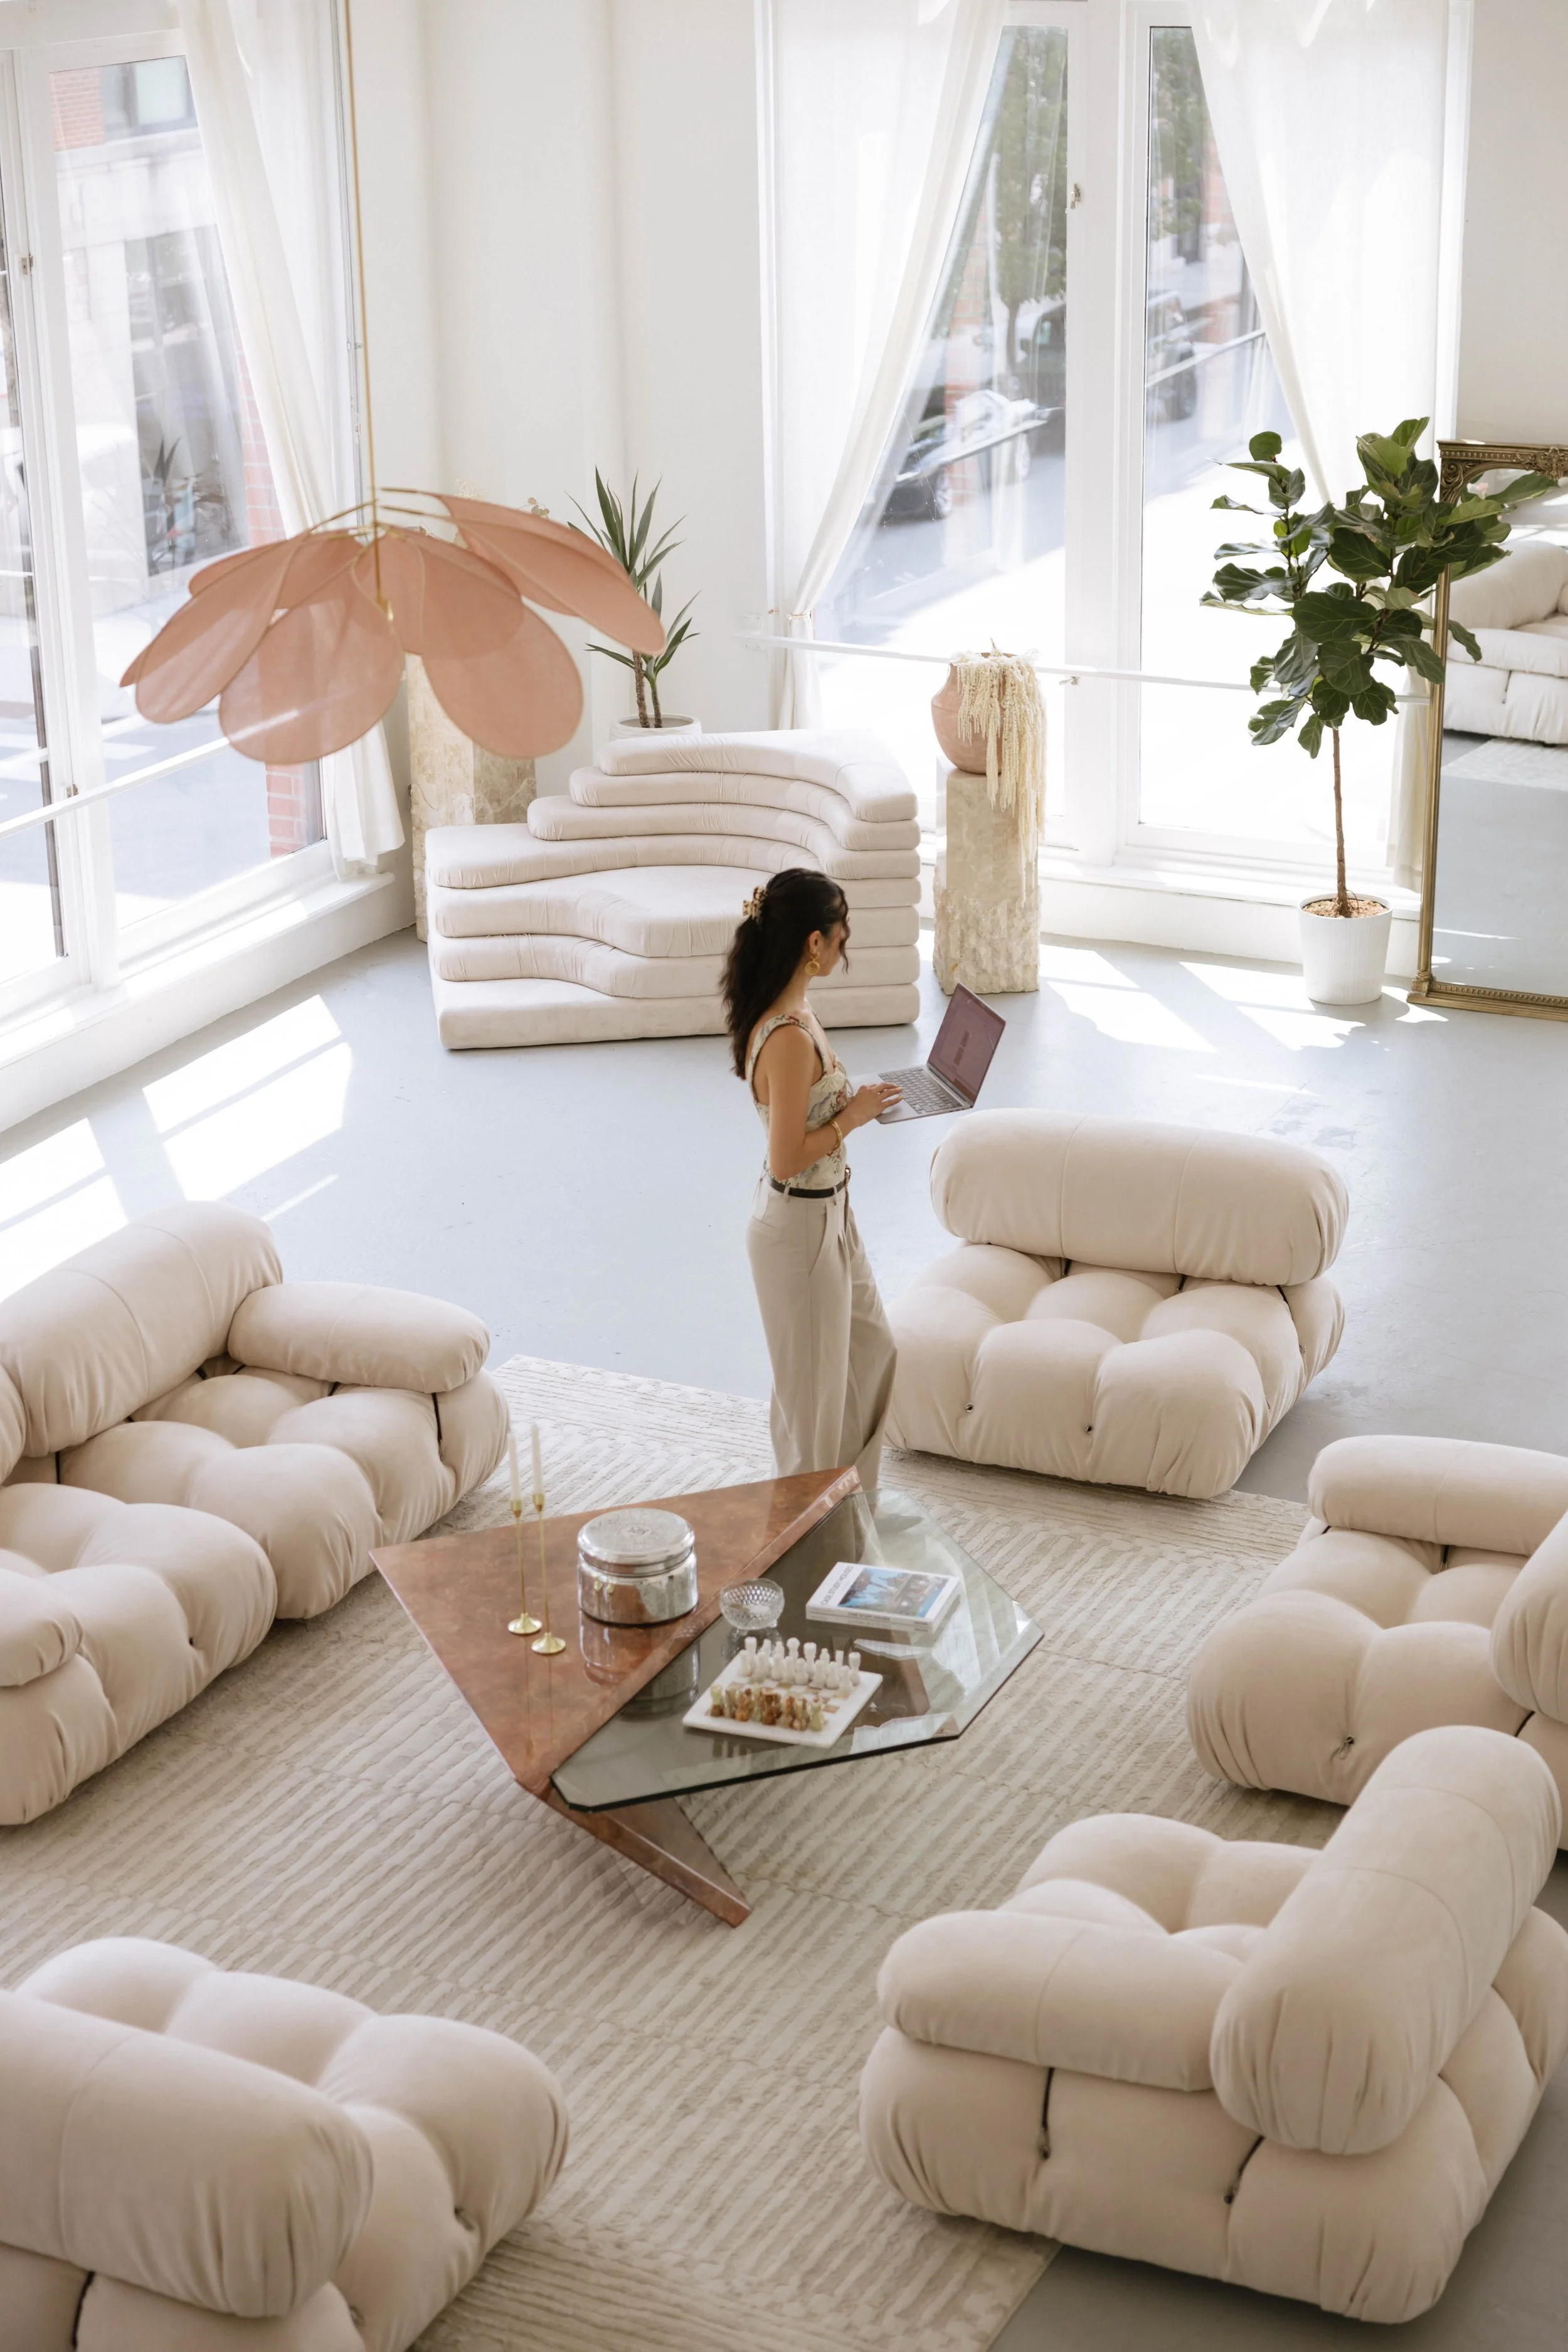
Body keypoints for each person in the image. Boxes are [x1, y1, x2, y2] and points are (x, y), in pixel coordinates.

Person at [722, 868, 902, 1488]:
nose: (847, 935)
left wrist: (862, 1102)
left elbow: (814, 1112)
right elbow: (784, 1156)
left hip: (831, 1212)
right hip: (795, 1224)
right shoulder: (789, 1038)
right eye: (839, 926)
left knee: (874, 1353)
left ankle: (851, 1511)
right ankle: (804, 1542)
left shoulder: (802, 1011)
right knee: (812, 1409)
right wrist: (852, 1118)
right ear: (812, 943)